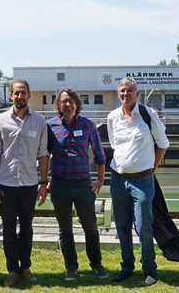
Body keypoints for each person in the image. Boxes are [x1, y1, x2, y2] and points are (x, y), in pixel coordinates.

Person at [107, 77, 169, 286]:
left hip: (142, 180)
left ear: (137, 93)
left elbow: (163, 143)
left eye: (130, 90)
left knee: (144, 227)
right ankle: (127, 267)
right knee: (122, 226)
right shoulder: (113, 117)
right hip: (117, 180)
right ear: (118, 94)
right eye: (122, 91)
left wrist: (152, 169)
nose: (126, 94)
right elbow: (115, 146)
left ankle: (149, 269)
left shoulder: (148, 114)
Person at [0, 79, 49, 287]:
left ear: (28, 95)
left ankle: (25, 268)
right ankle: (12, 270)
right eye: (16, 93)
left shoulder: (40, 121)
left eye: (23, 93)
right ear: (10, 96)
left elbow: (43, 154)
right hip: (6, 184)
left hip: (28, 184)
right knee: (8, 229)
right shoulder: (0, 121)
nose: (20, 96)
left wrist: (43, 183)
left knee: (26, 228)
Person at [46, 88, 109, 281]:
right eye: (64, 101)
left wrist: (100, 179)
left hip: (83, 185)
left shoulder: (89, 125)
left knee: (90, 227)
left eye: (71, 101)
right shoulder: (50, 126)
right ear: (58, 105)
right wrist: (44, 181)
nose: (68, 104)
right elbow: (43, 155)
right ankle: (71, 267)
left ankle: (96, 264)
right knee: (65, 229)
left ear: (77, 103)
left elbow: (100, 155)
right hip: (59, 184)